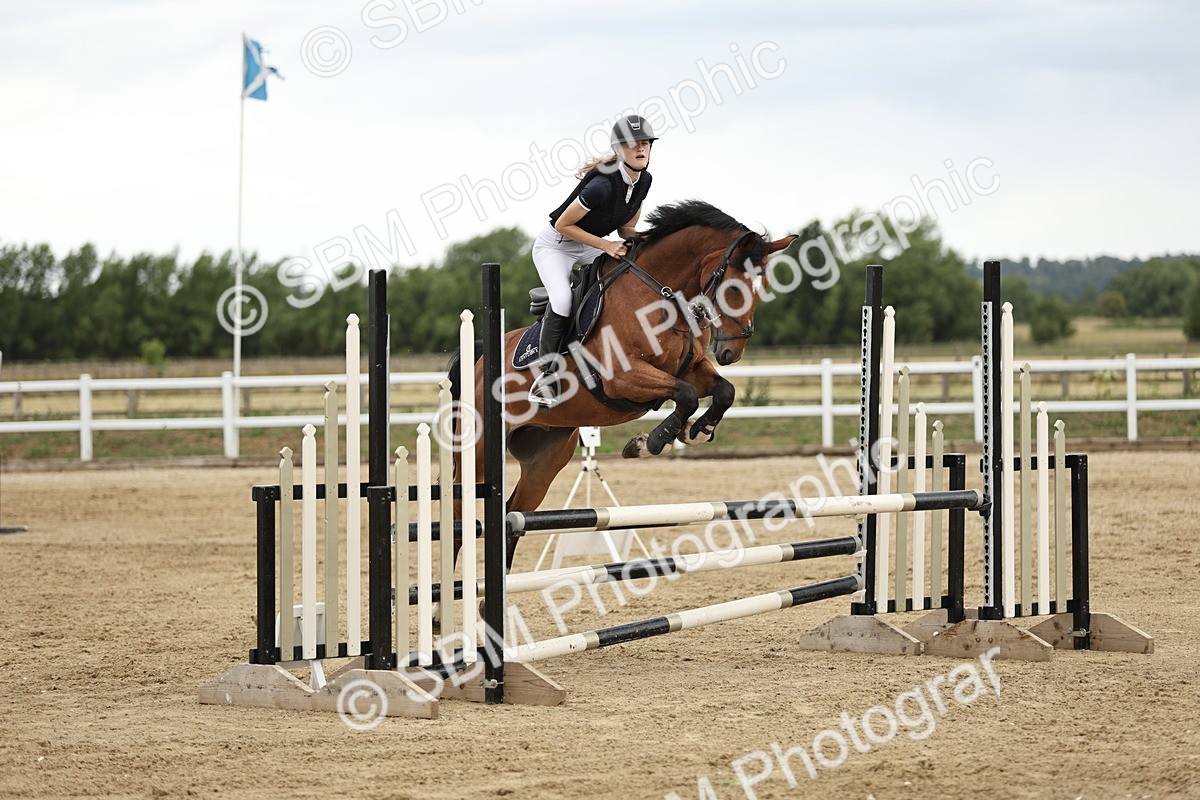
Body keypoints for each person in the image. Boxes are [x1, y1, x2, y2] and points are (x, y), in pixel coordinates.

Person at [528, 114, 658, 408]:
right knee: (561, 300)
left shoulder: (643, 181)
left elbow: (626, 230)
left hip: (592, 245)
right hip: (557, 246)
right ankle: (546, 376)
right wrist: (607, 245)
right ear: (619, 149)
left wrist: (647, 241)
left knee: (630, 271)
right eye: (633, 144)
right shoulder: (601, 186)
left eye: (646, 143)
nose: (641, 149)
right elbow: (563, 224)